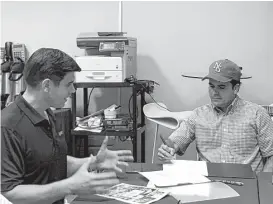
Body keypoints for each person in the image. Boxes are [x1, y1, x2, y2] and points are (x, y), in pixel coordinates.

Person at [1, 48, 134, 204]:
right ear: (47, 86)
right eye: (69, 84)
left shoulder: (46, 113)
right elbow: (8, 193)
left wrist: (92, 162)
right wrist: (69, 186)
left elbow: (52, 160)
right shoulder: (8, 127)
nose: (73, 90)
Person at [158, 59, 273, 173]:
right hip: (209, 184)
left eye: (221, 87)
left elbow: (271, 156)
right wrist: (169, 149)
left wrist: (262, 185)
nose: (214, 92)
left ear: (236, 88)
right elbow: (176, 141)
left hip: (247, 184)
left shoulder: (257, 114)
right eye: (212, 86)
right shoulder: (199, 115)